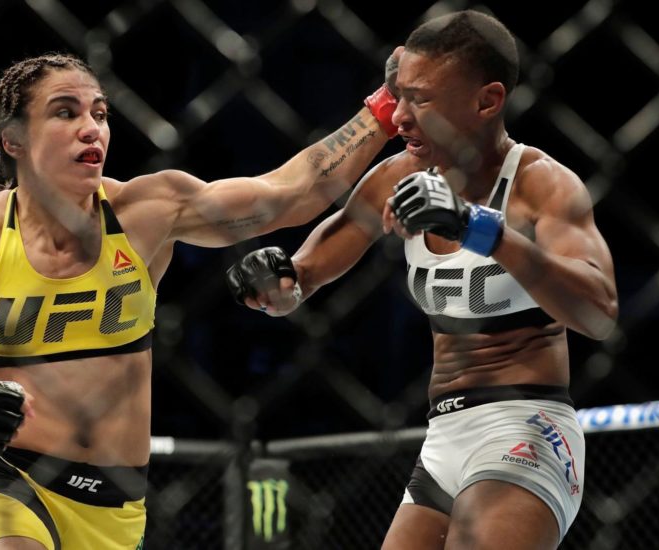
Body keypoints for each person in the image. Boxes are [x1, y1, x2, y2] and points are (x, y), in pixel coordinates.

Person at [0, 51, 397, 549]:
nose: (91, 129)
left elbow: (290, 195)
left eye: (100, 113)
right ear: (14, 139)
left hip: (116, 507)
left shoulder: (147, 211)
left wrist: (384, 108)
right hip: (9, 481)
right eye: (65, 112)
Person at [226, 10, 618, 550]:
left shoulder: (541, 185)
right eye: (400, 96)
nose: (401, 118)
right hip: (443, 436)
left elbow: (599, 311)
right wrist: (276, 285)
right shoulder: (399, 175)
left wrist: (478, 228)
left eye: (422, 100)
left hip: (527, 424)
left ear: (487, 101)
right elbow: (306, 275)